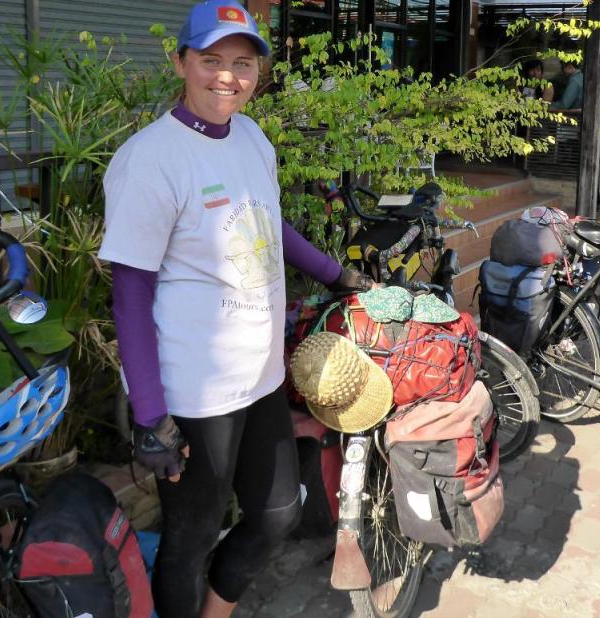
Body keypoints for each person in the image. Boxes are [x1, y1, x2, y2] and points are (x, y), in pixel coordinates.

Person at [98, 1, 371, 615]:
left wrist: (336, 273)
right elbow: (130, 294)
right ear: (181, 63)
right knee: (191, 538)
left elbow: (272, 227)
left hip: (260, 379)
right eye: (211, 60)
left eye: (242, 63)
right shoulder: (150, 160)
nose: (227, 76)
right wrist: (150, 417)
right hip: (193, 394)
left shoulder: (251, 137)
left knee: (278, 511)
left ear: (258, 71)